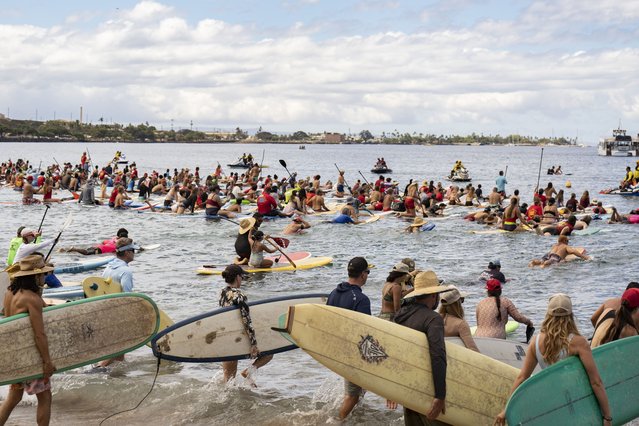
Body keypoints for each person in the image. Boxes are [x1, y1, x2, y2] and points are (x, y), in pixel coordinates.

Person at [494, 294, 612, 426]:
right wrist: (607, 417)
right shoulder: (578, 342)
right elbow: (596, 382)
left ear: (548, 314)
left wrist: (505, 410)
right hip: (573, 402)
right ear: (571, 315)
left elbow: (522, 378)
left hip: (549, 402)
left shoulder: (535, 341)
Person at [0, 255, 56, 426]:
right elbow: (39, 334)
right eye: (43, 275)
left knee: (13, 398)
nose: (45, 278)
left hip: (14, 354)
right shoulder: (32, 299)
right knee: (45, 397)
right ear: (36, 276)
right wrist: (47, 362)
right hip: (30, 355)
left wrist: (39, 293)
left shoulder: (11, 291)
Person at [394, 271, 450, 424]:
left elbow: (395, 351)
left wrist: (392, 388)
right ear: (433, 296)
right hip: (428, 388)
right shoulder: (433, 319)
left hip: (408, 387)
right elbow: (438, 356)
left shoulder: (400, 316)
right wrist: (440, 396)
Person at [326, 257, 371, 420]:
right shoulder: (361, 299)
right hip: (353, 353)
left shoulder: (334, 293)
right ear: (363, 275)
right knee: (353, 395)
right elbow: (364, 333)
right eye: (368, 272)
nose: (367, 275)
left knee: (360, 388)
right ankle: (338, 421)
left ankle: (356, 416)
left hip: (336, 349)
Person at [218, 264, 272, 383]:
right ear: (237, 277)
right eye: (242, 276)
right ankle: (248, 371)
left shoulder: (222, 293)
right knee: (268, 354)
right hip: (238, 338)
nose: (242, 279)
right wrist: (253, 344)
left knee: (228, 379)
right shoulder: (239, 295)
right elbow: (246, 319)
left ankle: (227, 400)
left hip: (226, 336)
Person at [97, 237, 139, 368]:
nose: (134, 253)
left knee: (119, 351)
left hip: (106, 310)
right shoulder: (126, 271)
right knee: (121, 347)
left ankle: (118, 376)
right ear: (127, 253)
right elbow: (127, 297)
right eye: (133, 250)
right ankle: (98, 369)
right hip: (118, 313)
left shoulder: (108, 267)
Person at [439, 286, 478, 352]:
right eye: (462, 300)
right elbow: (472, 349)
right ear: (457, 303)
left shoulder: (434, 319)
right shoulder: (460, 324)